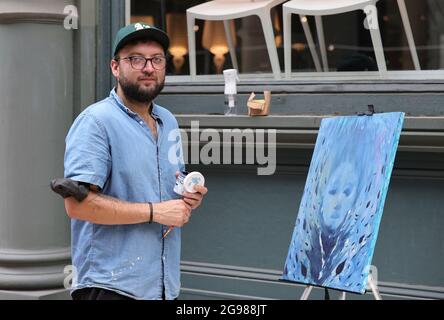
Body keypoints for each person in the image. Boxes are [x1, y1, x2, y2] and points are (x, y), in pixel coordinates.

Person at [63, 22, 208, 300]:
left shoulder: (168, 121)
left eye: (156, 59)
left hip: (162, 285)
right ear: (115, 67)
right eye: (136, 59)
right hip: (111, 286)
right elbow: (76, 204)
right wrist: (156, 212)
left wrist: (189, 195)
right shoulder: (95, 122)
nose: (148, 67)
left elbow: (172, 187)